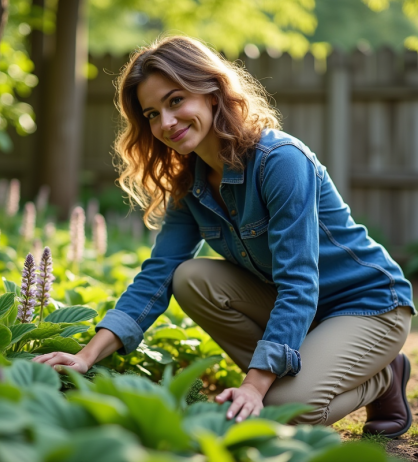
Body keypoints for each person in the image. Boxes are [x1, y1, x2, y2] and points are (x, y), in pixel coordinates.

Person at [33, 36, 416, 437]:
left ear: (212, 93)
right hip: (305, 316)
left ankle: (382, 376)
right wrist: (85, 356)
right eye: (151, 113)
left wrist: (254, 385)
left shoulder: (280, 161)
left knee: (279, 412)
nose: (165, 122)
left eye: (176, 100)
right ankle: (293, 376)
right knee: (190, 278)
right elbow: (158, 274)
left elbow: (299, 282)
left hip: (368, 304)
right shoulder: (190, 185)